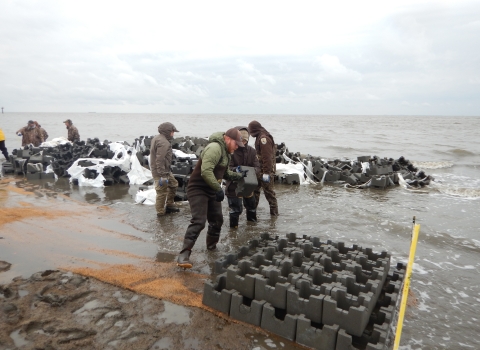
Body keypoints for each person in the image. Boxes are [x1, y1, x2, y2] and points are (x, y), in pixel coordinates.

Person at [176, 128, 247, 269]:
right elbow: (206, 171)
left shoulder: (227, 152)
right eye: (236, 143)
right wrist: (218, 189)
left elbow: (224, 172)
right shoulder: (215, 148)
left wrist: (239, 176)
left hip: (211, 189)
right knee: (199, 221)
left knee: (217, 220)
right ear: (227, 139)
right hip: (198, 188)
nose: (237, 147)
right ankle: (183, 255)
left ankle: (212, 248)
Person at [225, 126, 261, 228]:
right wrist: (237, 170)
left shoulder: (252, 151)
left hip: (249, 184)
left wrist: (251, 172)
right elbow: (227, 168)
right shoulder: (231, 151)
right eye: (242, 140)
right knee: (235, 210)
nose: (243, 143)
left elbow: (257, 167)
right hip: (233, 186)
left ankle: (252, 228)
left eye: (246, 140)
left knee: (251, 207)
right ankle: (233, 231)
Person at [248, 120, 278, 216]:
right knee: (255, 192)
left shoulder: (263, 139)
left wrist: (266, 173)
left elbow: (267, 157)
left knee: (269, 194)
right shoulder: (260, 136)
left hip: (265, 171)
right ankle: (252, 214)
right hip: (259, 171)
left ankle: (274, 215)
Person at [150, 122, 181, 217]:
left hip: (165, 170)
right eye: (172, 132)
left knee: (174, 184)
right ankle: (160, 212)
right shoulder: (164, 143)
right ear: (168, 132)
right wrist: (162, 175)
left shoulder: (157, 138)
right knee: (162, 192)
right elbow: (159, 159)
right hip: (161, 172)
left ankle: (170, 204)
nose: (173, 134)